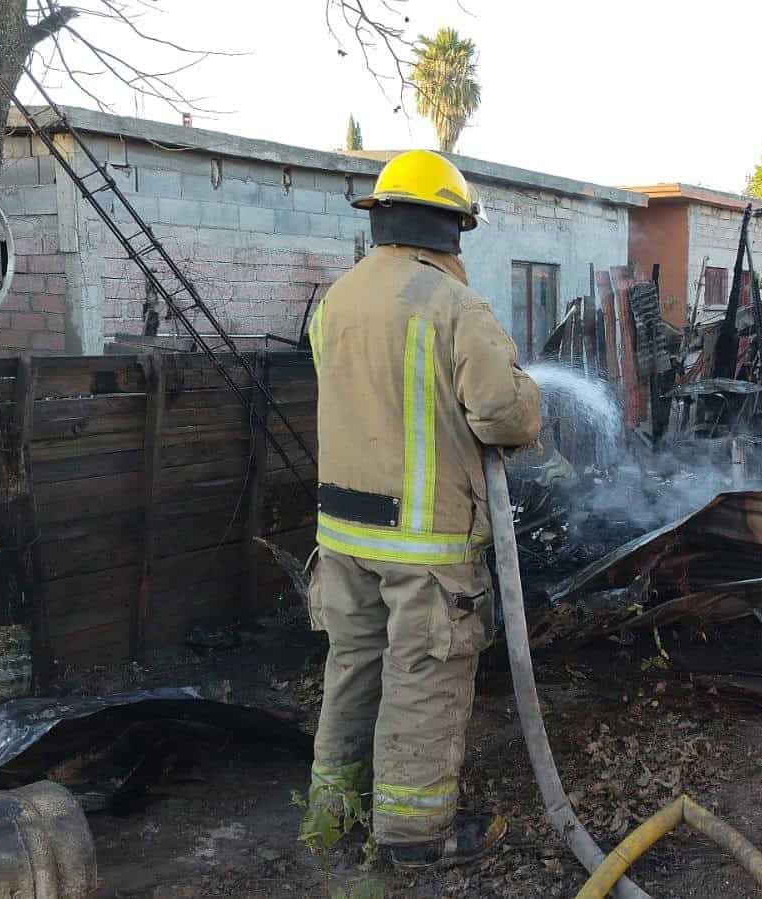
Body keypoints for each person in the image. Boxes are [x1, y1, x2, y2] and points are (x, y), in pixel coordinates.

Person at [301, 149, 542, 868]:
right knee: (423, 676)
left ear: (380, 218)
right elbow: (502, 414)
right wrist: (530, 394)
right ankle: (414, 833)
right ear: (452, 228)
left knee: (352, 665)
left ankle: (331, 807)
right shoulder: (450, 304)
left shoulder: (337, 298)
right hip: (425, 544)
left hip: (341, 532)